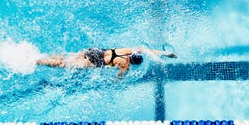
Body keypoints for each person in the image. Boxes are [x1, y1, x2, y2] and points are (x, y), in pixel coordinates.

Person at [37, 46, 176, 78]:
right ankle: (38, 61)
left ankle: (43, 57)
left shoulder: (129, 50)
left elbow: (149, 51)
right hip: (94, 62)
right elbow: (118, 78)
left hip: (95, 51)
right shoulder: (125, 65)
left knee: (65, 59)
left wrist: (166, 54)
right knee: (64, 65)